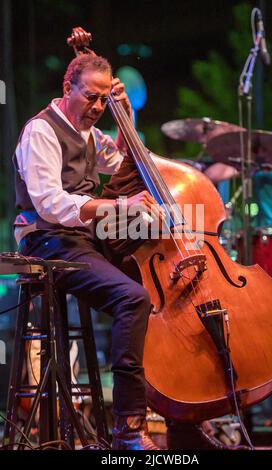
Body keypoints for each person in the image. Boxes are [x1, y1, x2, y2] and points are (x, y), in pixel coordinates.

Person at [13, 53, 164, 450]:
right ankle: (128, 428)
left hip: (84, 235)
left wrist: (126, 118)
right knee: (133, 298)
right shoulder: (41, 131)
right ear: (67, 89)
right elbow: (48, 203)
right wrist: (119, 208)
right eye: (91, 97)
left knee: (158, 244)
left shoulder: (93, 135)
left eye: (103, 100)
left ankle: (180, 409)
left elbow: (127, 167)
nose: (97, 107)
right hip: (48, 240)